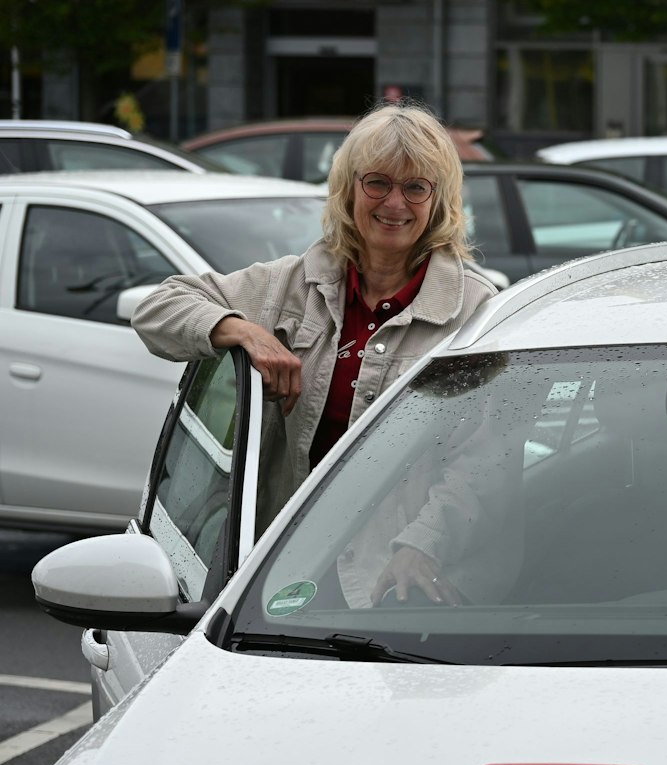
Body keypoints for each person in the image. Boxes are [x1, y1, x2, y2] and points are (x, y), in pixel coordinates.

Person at [133, 101, 504, 608]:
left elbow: (482, 459)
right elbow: (158, 309)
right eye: (377, 183)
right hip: (284, 566)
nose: (394, 203)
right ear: (349, 188)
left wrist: (421, 546)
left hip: (397, 582)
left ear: (438, 202)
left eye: (416, 187)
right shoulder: (291, 285)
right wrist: (241, 329)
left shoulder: (474, 310)